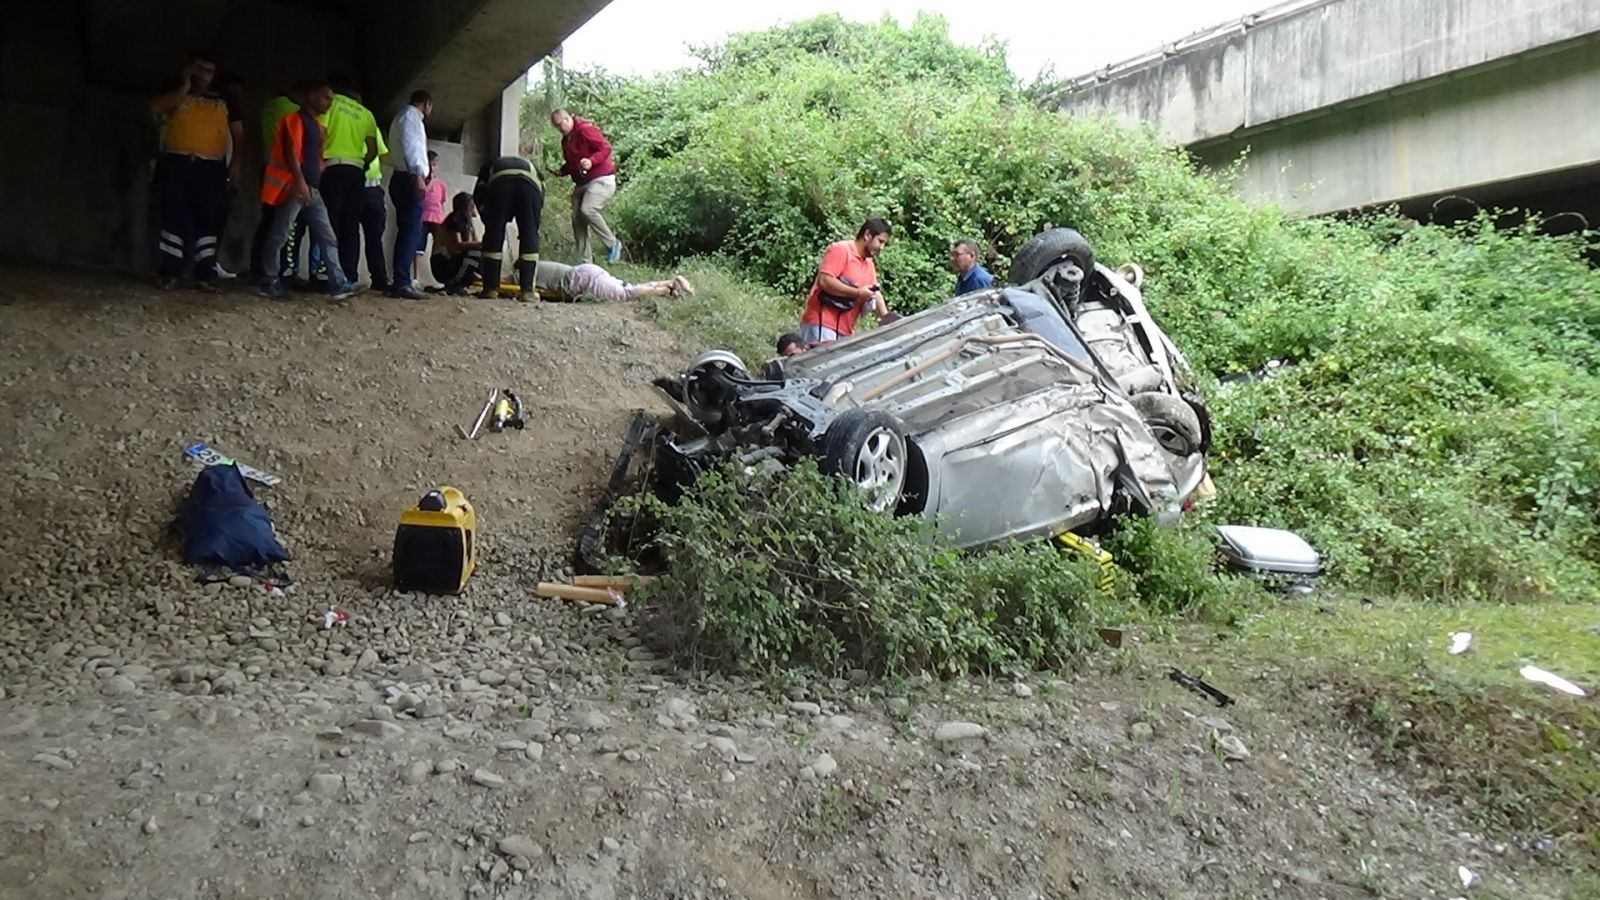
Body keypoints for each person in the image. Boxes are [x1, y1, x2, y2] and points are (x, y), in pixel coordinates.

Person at [149, 49, 243, 292]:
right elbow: (156, 108)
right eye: (199, 69)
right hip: (176, 162)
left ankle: (205, 272)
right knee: (173, 214)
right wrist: (185, 84)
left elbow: (239, 134)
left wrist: (237, 163)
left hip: (211, 166)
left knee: (208, 219)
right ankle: (169, 271)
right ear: (190, 68)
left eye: (209, 71)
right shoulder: (175, 88)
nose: (204, 75)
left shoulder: (226, 96)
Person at [257, 81, 358, 301]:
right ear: (312, 97)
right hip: (295, 186)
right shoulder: (293, 120)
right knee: (280, 233)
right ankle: (269, 280)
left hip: (311, 187)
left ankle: (338, 283)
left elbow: (316, 155)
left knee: (327, 235)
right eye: (326, 98)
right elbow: (291, 154)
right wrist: (300, 182)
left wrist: (315, 174)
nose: (330, 103)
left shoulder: (319, 126)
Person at [320, 74, 384, 289]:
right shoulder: (366, 114)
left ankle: (331, 276)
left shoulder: (331, 103)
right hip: (356, 171)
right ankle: (349, 276)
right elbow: (373, 150)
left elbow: (321, 132)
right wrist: (363, 166)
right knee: (350, 226)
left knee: (330, 222)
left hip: (332, 167)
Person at [797, 218, 893, 343]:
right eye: (880, 241)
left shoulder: (869, 265)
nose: (882, 247)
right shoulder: (841, 250)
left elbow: (875, 294)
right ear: (867, 235)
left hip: (845, 330)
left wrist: (888, 320)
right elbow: (825, 281)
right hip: (822, 323)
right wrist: (857, 293)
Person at [548, 108, 620, 265]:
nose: (559, 129)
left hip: (601, 179)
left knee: (588, 209)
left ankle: (612, 244)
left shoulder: (585, 129)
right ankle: (585, 261)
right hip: (582, 183)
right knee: (577, 219)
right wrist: (562, 170)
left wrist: (591, 161)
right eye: (556, 127)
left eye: (560, 125)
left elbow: (605, 148)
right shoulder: (566, 140)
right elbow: (573, 161)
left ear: (567, 119)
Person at [471, 155, 545, 302]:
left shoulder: (488, 166)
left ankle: (490, 289)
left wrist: (491, 224)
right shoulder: (535, 170)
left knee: (494, 236)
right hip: (530, 187)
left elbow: (479, 196)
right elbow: (539, 201)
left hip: (501, 185)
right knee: (530, 235)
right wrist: (529, 230)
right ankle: (528, 292)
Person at [387, 90, 433, 300]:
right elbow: (412, 146)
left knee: (406, 229)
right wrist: (418, 176)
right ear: (426, 104)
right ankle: (402, 282)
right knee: (412, 230)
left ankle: (401, 279)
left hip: (401, 177)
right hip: (408, 177)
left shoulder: (402, 115)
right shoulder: (412, 116)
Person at [530, 261, 692, 303]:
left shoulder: (526, 274)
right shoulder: (541, 267)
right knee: (628, 290)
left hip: (582, 278)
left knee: (626, 293)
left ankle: (665, 289)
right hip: (587, 273)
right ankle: (669, 284)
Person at [431, 192, 481, 294]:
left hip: (450, 262)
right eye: (472, 205)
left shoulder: (468, 223)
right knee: (475, 253)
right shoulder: (456, 219)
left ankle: (460, 282)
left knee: (480, 252)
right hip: (442, 264)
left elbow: (475, 243)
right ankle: (455, 284)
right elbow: (457, 245)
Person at [418, 150, 447, 285]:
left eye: (435, 165)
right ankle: (415, 277)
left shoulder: (440, 185)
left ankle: (441, 274)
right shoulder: (421, 182)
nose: (432, 168)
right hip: (423, 217)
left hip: (437, 218)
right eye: (431, 164)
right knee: (418, 247)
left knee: (440, 246)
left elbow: (441, 204)